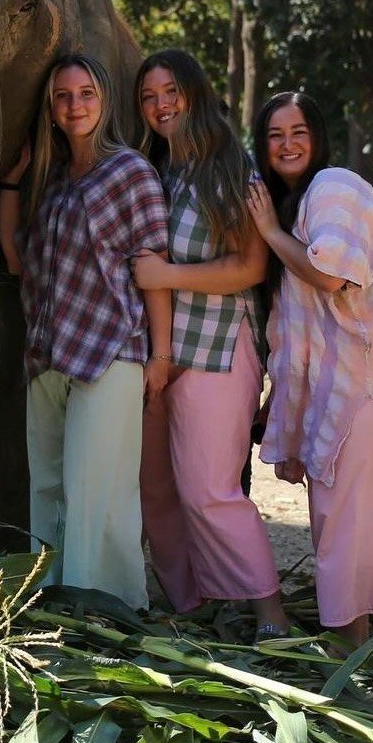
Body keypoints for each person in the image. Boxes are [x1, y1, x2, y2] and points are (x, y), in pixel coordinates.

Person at [247, 91, 373, 648]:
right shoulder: (301, 202)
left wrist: (271, 234)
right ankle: (358, 633)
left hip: (369, 385)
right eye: (275, 135)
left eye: (298, 131)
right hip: (352, 387)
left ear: (318, 137)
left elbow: (334, 273)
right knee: (349, 516)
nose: (287, 144)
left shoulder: (334, 187)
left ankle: (349, 642)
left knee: (344, 519)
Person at [0, 52, 170, 610]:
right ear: (50, 108)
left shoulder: (130, 171)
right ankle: (50, 599)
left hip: (110, 350)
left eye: (86, 94)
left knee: (98, 490)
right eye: (63, 97)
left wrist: (160, 355)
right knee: (46, 486)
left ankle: (106, 607)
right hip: (47, 351)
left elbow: (155, 267)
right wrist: (11, 185)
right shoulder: (48, 180)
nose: (75, 106)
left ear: (105, 101)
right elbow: (17, 261)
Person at [129, 50, 289, 639]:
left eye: (170, 91)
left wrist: (169, 276)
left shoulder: (232, 167)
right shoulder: (155, 169)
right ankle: (189, 606)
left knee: (209, 490)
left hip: (221, 349)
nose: (160, 105)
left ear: (193, 92)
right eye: (148, 97)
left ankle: (270, 613)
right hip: (159, 353)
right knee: (156, 491)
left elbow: (250, 266)